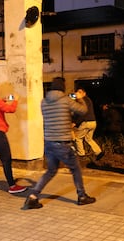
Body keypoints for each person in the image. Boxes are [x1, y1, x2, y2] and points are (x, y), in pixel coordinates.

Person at [23, 77, 96, 209]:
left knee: (50, 171)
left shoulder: (43, 102)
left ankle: (33, 197)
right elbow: (83, 111)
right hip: (63, 143)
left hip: (49, 142)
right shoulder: (66, 100)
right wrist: (79, 98)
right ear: (62, 87)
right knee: (75, 169)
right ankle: (82, 196)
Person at [72, 87, 104, 161]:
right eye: (77, 92)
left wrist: (75, 123)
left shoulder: (82, 101)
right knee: (88, 139)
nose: (77, 94)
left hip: (86, 122)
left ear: (84, 93)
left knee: (78, 138)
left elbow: (82, 114)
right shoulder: (88, 100)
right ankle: (98, 152)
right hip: (93, 122)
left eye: (80, 92)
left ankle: (81, 154)